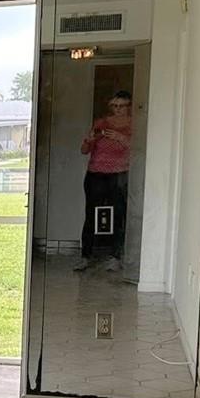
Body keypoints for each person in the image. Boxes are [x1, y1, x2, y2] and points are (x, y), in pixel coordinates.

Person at [76, 89, 133, 271]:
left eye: (122, 106)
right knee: (91, 214)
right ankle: (85, 256)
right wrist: (89, 140)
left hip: (119, 173)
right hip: (96, 173)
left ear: (129, 107)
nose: (118, 110)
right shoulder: (101, 123)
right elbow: (85, 150)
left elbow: (139, 149)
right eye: (114, 106)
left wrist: (121, 138)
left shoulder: (134, 125)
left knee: (118, 214)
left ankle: (116, 257)